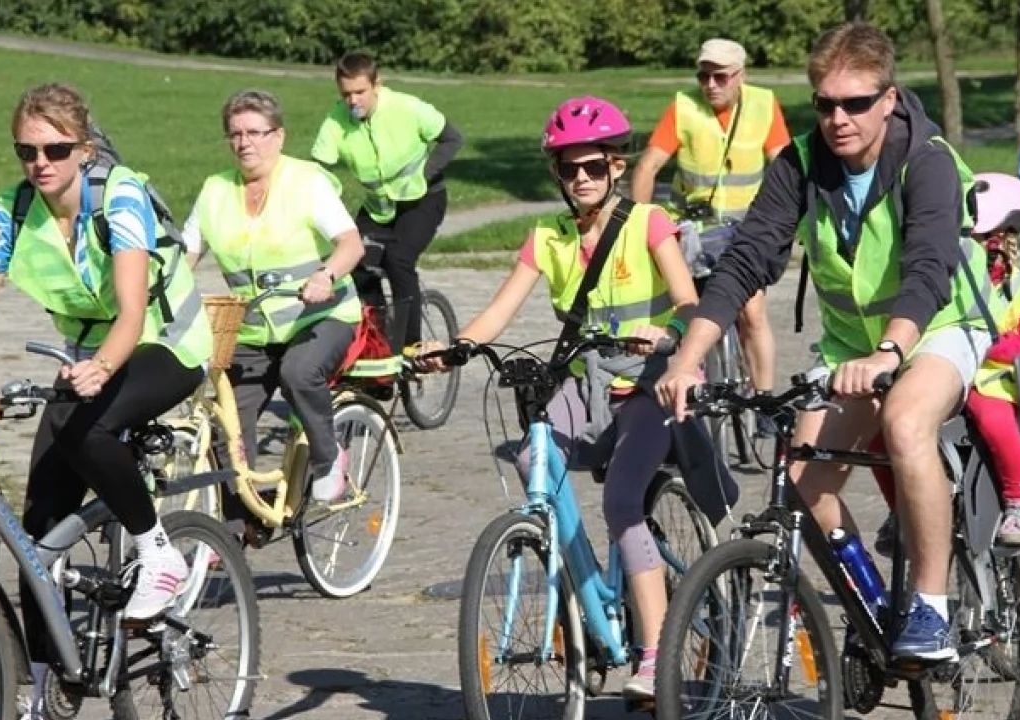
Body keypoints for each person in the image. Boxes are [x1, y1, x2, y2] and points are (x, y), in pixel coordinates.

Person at [0, 83, 214, 718]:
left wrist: (103, 365)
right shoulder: (11, 210)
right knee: (38, 539)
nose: (40, 163)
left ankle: (157, 552)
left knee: (87, 432)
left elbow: (132, 313)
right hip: (86, 360)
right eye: (26, 151)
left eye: (54, 149)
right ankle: (50, 687)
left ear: (84, 149)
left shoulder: (119, 195)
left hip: (165, 344)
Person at [655, 22, 997, 661]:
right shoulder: (801, 163)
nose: (838, 119)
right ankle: (874, 606)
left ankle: (930, 606)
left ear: (888, 99)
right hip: (851, 345)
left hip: (940, 325)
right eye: (825, 104)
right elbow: (745, 261)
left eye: (856, 103)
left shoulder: (927, 161)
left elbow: (928, 268)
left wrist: (890, 353)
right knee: (802, 481)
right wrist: (687, 359)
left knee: (905, 423)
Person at [420, 97, 698, 700]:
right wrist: (455, 347)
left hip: (646, 385)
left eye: (594, 166)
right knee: (532, 458)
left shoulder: (648, 223)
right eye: (569, 169)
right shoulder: (547, 237)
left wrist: (668, 334)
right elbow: (500, 309)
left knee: (622, 501)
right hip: (585, 382)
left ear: (617, 167)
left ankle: (655, 655)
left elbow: (688, 300)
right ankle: (585, 589)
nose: (582, 178)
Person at [182, 89, 366, 507]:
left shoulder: (306, 182)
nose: (244, 143)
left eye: (255, 133)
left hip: (320, 316)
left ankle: (328, 457)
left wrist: (326, 275)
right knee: (227, 418)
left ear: (278, 136)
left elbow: (351, 244)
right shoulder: (214, 191)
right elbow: (185, 256)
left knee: (298, 372)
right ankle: (235, 527)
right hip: (253, 329)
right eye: (235, 134)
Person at [867, 173, 1020, 553]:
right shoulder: (944, 277)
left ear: (1006, 237)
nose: (969, 248)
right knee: (879, 432)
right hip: (940, 369)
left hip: (992, 378)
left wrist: (990, 347)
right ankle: (902, 509)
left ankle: (1019, 502)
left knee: (993, 418)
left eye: (980, 239)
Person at [631, 38, 790, 435]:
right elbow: (648, 166)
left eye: (721, 77)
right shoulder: (684, 106)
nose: (711, 85)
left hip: (748, 229)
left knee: (752, 313)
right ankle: (690, 389)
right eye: (703, 76)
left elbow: (784, 166)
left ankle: (765, 400)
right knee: (690, 309)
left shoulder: (763, 104)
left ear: (741, 75)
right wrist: (637, 225)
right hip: (694, 228)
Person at [311, 50, 465, 359]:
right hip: (378, 209)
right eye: (346, 94)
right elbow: (318, 170)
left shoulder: (407, 107)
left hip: (424, 201)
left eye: (360, 92)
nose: (353, 101)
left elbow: (452, 138)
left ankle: (411, 347)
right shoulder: (336, 120)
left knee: (398, 260)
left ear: (377, 84)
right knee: (353, 260)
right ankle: (378, 343)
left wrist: (424, 175)